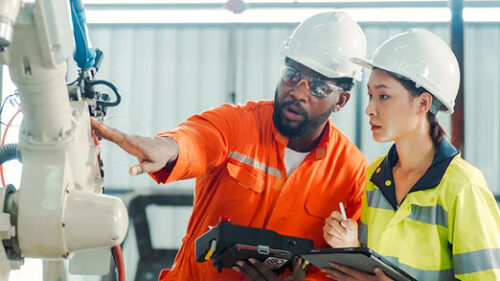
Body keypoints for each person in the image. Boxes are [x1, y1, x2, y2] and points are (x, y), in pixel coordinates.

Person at [91, 11, 369, 281]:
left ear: (341, 100)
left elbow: (343, 266)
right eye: (292, 74)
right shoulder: (238, 124)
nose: (298, 92)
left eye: (318, 87)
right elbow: (199, 140)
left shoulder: (352, 174)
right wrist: (166, 148)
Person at [322, 29, 500, 281]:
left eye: (384, 96)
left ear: (423, 103)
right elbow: (378, 268)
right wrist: (350, 247)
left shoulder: (463, 187)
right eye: (371, 96)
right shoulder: (375, 175)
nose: (369, 109)